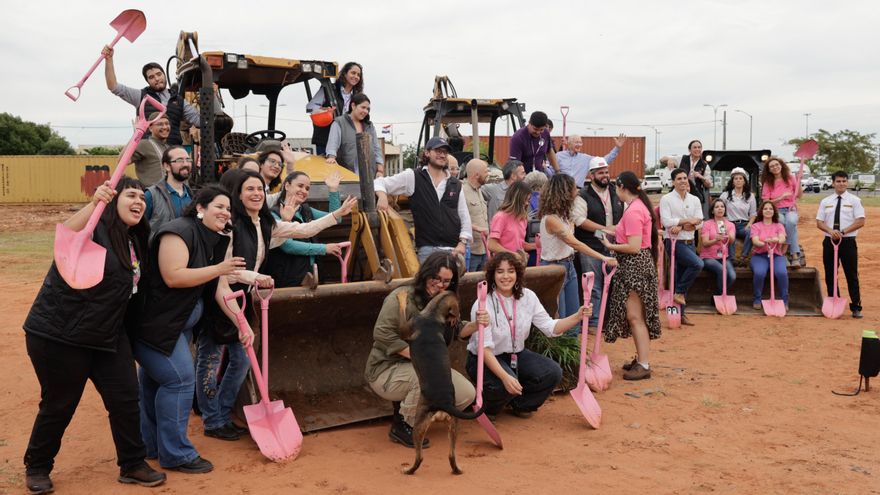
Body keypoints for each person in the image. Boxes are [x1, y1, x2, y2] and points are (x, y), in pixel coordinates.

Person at [22, 179, 166, 494]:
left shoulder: (135, 239)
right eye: (131, 195)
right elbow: (65, 233)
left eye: (143, 198)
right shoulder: (92, 229)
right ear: (112, 200)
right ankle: (37, 467)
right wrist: (93, 204)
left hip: (108, 335)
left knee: (126, 398)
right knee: (60, 404)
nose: (139, 202)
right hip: (62, 335)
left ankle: (132, 463)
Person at [196, 170, 355, 440]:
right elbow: (225, 271)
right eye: (250, 189)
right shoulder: (230, 226)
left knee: (241, 360)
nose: (257, 193)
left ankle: (222, 413)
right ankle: (212, 420)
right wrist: (256, 277)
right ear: (238, 194)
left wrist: (336, 214)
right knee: (210, 359)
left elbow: (303, 230)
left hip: (243, 298)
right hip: (219, 297)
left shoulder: (264, 223)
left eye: (260, 188)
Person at [134, 185, 245, 474]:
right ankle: (176, 454)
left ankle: (152, 446)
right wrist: (219, 269)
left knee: (153, 383)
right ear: (200, 208)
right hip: (156, 326)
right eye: (219, 206)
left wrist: (242, 324)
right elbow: (174, 276)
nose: (225, 213)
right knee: (180, 381)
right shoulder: (178, 232)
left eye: (228, 209)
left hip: (176, 326)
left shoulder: (212, 239)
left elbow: (219, 288)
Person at [364, 252, 488, 447]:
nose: (439, 284)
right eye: (435, 278)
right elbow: (382, 333)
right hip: (386, 369)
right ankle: (403, 425)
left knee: (466, 394)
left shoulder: (445, 301)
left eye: (446, 281)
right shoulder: (400, 297)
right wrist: (420, 358)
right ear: (425, 273)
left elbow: (456, 330)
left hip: (422, 366)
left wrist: (475, 325)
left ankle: (419, 409)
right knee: (425, 378)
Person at [467, 252, 589, 418]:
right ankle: (490, 408)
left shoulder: (528, 297)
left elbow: (550, 327)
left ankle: (520, 404)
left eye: (511, 271)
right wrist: (505, 377)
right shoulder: (483, 303)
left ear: (517, 274)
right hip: (484, 358)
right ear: (492, 275)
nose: (506, 276)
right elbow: (485, 349)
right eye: (500, 271)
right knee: (503, 383)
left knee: (552, 372)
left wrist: (578, 316)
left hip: (516, 354)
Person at [599, 171, 661, 380]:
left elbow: (634, 247)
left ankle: (643, 364)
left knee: (635, 317)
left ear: (622, 187)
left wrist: (610, 246)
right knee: (636, 317)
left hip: (635, 266)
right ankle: (641, 359)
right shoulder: (637, 207)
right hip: (638, 266)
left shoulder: (634, 210)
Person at [375, 137, 472, 263]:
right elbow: (379, 182)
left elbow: (464, 216)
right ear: (427, 153)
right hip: (427, 250)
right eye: (438, 151)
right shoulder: (413, 177)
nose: (442, 155)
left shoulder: (456, 184)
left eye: (445, 152)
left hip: (453, 250)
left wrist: (462, 243)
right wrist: (382, 196)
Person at [539, 174, 617, 331]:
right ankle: (563, 345)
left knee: (574, 312)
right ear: (565, 192)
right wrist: (603, 257)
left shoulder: (565, 216)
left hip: (568, 265)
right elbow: (575, 242)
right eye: (574, 188)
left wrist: (606, 236)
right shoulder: (552, 219)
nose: (577, 191)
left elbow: (581, 237)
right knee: (560, 315)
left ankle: (573, 343)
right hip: (554, 268)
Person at [102, 46, 199, 146]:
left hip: (172, 150)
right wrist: (109, 60)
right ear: (147, 81)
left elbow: (199, 120)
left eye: (159, 74)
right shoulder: (141, 96)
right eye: (151, 77)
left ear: (164, 75)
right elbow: (113, 86)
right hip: (149, 149)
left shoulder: (179, 100)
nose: (156, 78)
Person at [263, 170, 345, 287]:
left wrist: (333, 190)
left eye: (307, 188)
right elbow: (288, 246)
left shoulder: (306, 210)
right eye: (300, 186)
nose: (304, 191)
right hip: (288, 278)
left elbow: (336, 218)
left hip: (311, 272)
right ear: (287, 185)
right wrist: (324, 248)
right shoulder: (273, 214)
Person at [572, 156, 624, 328]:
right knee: (593, 287)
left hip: (614, 247)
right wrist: (605, 229)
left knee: (615, 285)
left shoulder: (616, 191)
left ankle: (610, 321)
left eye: (606, 172)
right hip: (590, 247)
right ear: (591, 175)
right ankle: (594, 323)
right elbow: (579, 220)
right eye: (600, 173)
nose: (605, 176)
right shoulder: (583, 195)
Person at [816, 171, 865, 318]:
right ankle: (834, 301)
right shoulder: (825, 201)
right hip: (830, 241)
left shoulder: (855, 200)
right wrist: (831, 231)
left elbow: (860, 221)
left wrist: (842, 232)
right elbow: (819, 222)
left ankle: (856, 306)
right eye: (838, 181)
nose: (841, 184)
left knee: (851, 274)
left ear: (847, 183)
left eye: (844, 181)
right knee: (830, 273)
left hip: (847, 241)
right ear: (833, 183)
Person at [659, 168, 704, 326]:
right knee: (698, 264)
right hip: (673, 242)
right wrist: (688, 221)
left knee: (679, 276)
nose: (683, 181)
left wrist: (682, 225)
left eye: (685, 178)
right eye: (679, 178)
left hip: (689, 242)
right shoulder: (666, 199)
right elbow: (666, 222)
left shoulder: (694, 199)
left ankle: (679, 314)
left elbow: (700, 221)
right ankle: (679, 293)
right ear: (673, 182)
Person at [307, 61, 363, 156]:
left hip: (345, 142)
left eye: (358, 75)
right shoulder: (328, 89)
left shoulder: (357, 97)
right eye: (353, 73)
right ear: (344, 74)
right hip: (325, 139)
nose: (356, 76)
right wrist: (324, 111)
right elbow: (310, 107)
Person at [326, 93, 385, 178]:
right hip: (347, 175)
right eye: (363, 107)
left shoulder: (369, 126)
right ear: (353, 106)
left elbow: (376, 148)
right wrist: (331, 157)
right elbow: (333, 144)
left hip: (369, 175)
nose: (366, 111)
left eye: (367, 109)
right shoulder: (339, 123)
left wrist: (380, 170)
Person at [761, 156, 804, 267]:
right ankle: (795, 255)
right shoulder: (768, 183)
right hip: (776, 210)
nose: (775, 167)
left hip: (790, 208)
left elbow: (799, 195)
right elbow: (766, 202)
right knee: (781, 222)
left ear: (781, 165)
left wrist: (799, 181)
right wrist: (781, 197)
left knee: (791, 222)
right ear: (769, 170)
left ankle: (784, 250)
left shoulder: (790, 178)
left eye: (777, 165)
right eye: (771, 166)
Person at [144, 146, 193, 239]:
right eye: (179, 160)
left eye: (188, 159)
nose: (186, 164)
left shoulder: (193, 197)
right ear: (166, 166)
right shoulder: (151, 195)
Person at [749, 200, 789, 310]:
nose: (768, 211)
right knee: (759, 273)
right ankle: (757, 298)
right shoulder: (756, 226)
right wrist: (764, 243)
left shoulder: (779, 225)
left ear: (774, 211)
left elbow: (782, 238)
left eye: (770, 209)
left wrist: (777, 240)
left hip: (776, 256)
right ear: (761, 211)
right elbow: (755, 241)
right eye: (765, 208)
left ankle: (784, 300)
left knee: (781, 273)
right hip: (760, 256)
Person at [556, 134, 626, 188]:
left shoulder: (585, 158)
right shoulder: (558, 156)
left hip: (577, 191)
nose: (579, 145)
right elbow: (551, 171)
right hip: (560, 190)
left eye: (580, 142)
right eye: (576, 142)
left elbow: (603, 161)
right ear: (569, 143)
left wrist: (617, 148)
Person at [719, 167, 756, 266]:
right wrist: (725, 223)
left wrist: (749, 224)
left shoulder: (750, 196)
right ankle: (731, 260)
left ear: (744, 181)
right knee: (730, 235)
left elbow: (753, 214)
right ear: (732, 181)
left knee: (752, 232)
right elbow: (719, 210)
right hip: (730, 224)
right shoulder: (725, 195)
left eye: (741, 178)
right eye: (736, 178)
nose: (738, 180)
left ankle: (743, 257)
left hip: (744, 224)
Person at [488, 181, 533, 263]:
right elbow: (492, 245)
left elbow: (519, 244)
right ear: (518, 199)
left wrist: (536, 245)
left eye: (528, 200)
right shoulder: (500, 217)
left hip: (517, 263)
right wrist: (512, 254)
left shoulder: (522, 219)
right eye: (525, 200)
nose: (527, 203)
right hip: (502, 263)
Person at [699, 199, 736, 297]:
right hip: (708, 257)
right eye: (717, 207)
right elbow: (705, 243)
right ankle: (720, 297)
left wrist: (728, 234)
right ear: (712, 211)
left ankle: (718, 295)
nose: (720, 209)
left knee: (732, 276)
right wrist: (715, 240)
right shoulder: (707, 224)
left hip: (723, 256)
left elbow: (731, 241)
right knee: (722, 271)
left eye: (722, 207)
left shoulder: (730, 225)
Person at [462, 159, 490, 272]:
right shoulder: (462, 192)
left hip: (484, 249)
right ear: (477, 175)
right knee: (470, 281)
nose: (488, 174)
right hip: (471, 251)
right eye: (486, 171)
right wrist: (477, 228)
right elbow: (457, 219)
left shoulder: (479, 190)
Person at [131, 113, 170, 186]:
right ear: (150, 128)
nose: (165, 127)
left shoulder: (168, 148)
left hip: (169, 191)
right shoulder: (144, 144)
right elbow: (122, 160)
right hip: (151, 191)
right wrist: (136, 135)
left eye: (167, 123)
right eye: (160, 124)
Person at [482, 160, 526, 224]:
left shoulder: (523, 193)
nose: (525, 176)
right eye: (522, 173)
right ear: (513, 176)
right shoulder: (493, 189)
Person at [678, 140, 712, 218]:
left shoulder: (705, 165)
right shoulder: (683, 159)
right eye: (695, 147)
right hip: (680, 192)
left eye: (699, 147)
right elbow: (663, 159)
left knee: (695, 217)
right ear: (689, 150)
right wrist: (669, 160)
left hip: (696, 194)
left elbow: (709, 185)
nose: (697, 149)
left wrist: (701, 177)